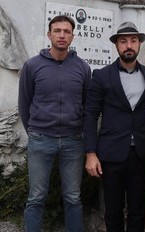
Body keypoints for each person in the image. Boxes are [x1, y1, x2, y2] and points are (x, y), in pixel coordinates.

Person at [83, 21, 145, 232]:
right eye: (123, 41)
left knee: (138, 209)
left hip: (142, 154)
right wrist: (91, 153)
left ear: (139, 44)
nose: (129, 45)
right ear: (117, 45)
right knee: (113, 210)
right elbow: (90, 115)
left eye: (133, 41)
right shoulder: (101, 76)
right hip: (110, 155)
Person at [18, 15, 91, 231]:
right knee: (36, 197)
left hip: (73, 141)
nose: (61, 35)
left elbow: (87, 105)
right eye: (57, 31)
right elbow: (25, 102)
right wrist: (33, 132)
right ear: (49, 34)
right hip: (41, 139)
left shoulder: (82, 68)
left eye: (66, 31)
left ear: (72, 36)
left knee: (73, 197)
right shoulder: (32, 66)